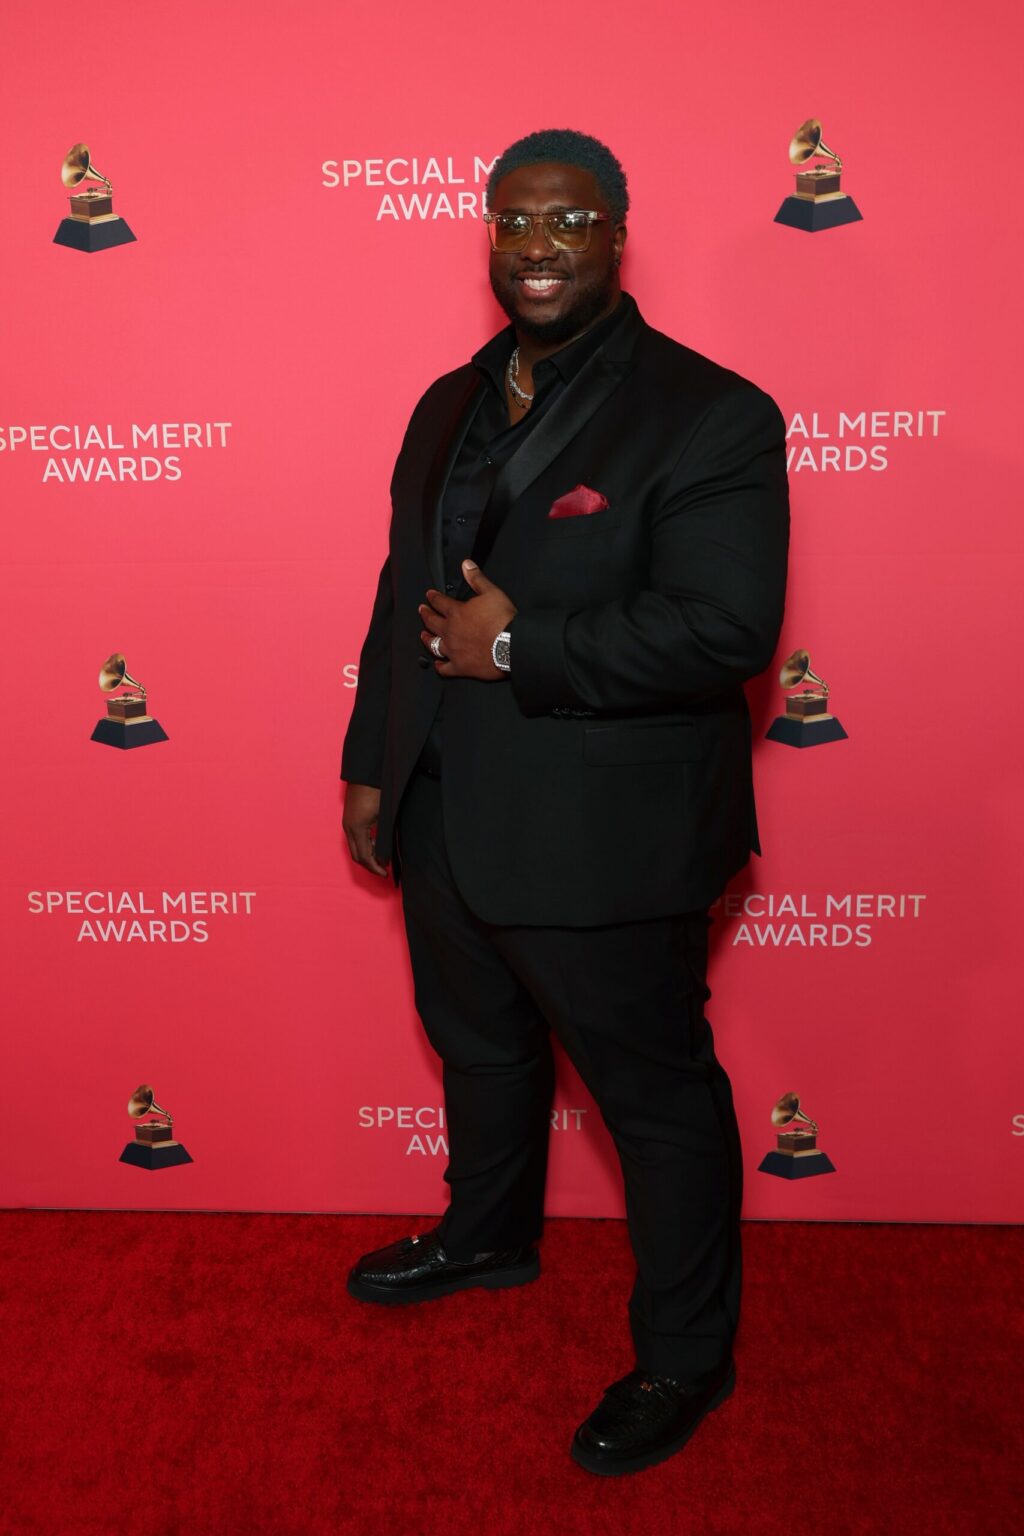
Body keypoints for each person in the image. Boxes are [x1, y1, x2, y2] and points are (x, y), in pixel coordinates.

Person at [340, 127, 789, 1477]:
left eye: (570, 223)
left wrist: (521, 646)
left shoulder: (711, 411)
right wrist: (372, 754)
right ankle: (487, 1234)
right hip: (441, 802)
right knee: (477, 1049)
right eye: (514, 221)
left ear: (618, 232)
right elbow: (396, 588)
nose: (538, 248)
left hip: (607, 828)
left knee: (653, 1098)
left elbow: (728, 627)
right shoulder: (449, 400)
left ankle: (686, 1357)